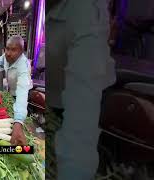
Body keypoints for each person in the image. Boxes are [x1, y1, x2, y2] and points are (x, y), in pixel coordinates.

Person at [47, 0, 116, 179]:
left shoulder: (84, 10)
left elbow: (80, 121)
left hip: (83, 97)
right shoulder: (48, 12)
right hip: (57, 96)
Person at [0, 35, 32, 145]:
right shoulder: (7, 56)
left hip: (22, 92)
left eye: (13, 50)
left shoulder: (24, 67)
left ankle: (22, 126)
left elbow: (22, 93)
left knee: (20, 116)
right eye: (7, 48)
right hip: (11, 90)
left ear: (21, 51)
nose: (8, 52)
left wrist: (18, 122)